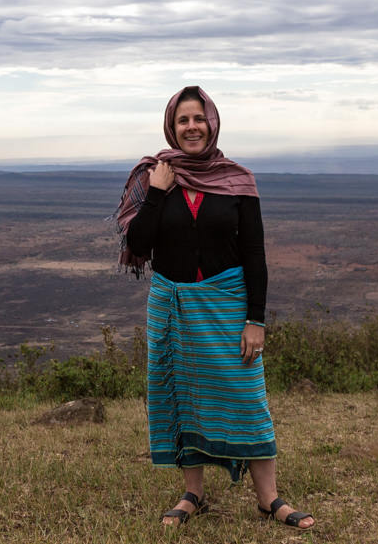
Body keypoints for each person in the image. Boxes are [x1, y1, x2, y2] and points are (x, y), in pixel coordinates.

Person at [112, 86, 315, 530]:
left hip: (227, 304)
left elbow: (255, 255)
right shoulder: (154, 176)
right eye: (183, 120)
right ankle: (193, 493)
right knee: (181, 395)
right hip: (173, 304)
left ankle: (269, 498)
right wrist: (157, 194)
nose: (191, 128)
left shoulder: (237, 179)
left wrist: (255, 319)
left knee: (247, 398)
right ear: (171, 126)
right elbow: (137, 244)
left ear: (213, 123)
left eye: (198, 119)